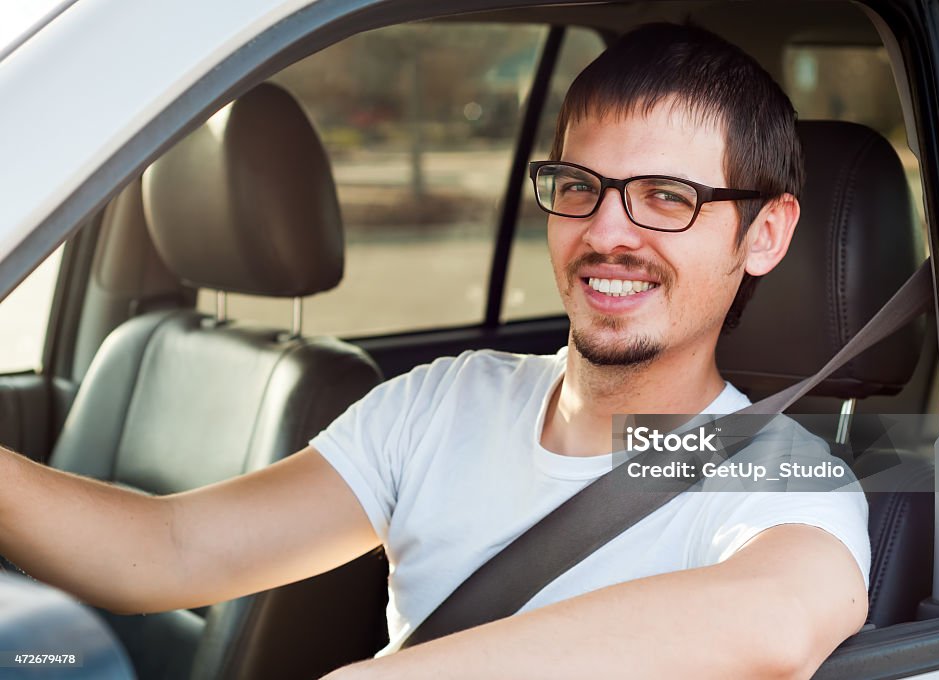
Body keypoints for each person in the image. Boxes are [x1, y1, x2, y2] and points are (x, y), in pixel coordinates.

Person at [0, 23, 869, 679]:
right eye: (579, 188)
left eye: (665, 198)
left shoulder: (784, 478)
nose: (607, 233)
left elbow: (778, 619)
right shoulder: (444, 402)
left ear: (764, 234)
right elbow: (178, 548)